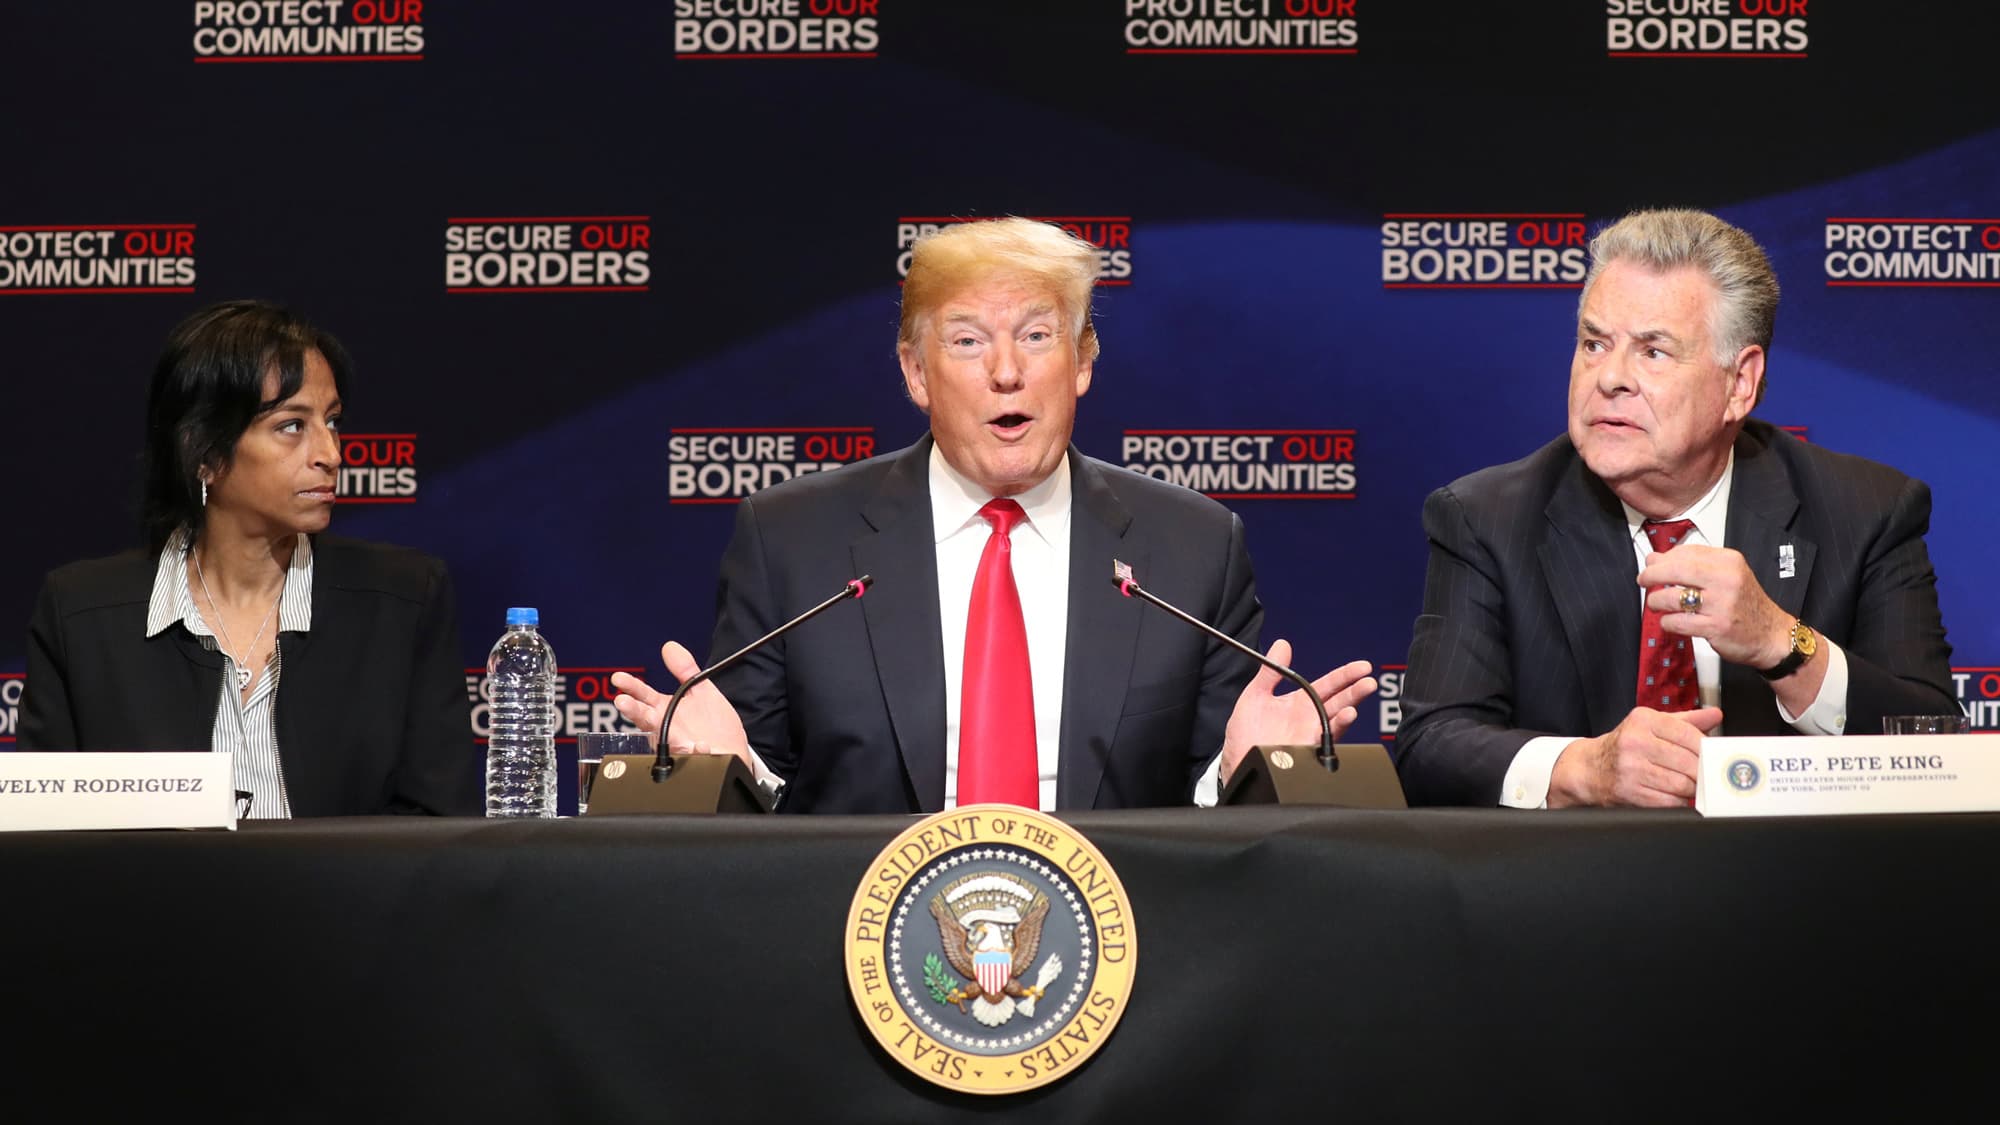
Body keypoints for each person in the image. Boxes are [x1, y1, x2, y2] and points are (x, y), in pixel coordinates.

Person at [613, 217, 1376, 813]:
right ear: (917, 373)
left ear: (1081, 363)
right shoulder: (793, 541)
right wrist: (724, 770)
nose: (1007, 371)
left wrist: (1247, 775)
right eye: (969, 341)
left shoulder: (1193, 547)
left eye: (1037, 336)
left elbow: (1221, 830)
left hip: (1124, 951)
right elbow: (748, 803)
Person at [1394, 208, 1956, 809]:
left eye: (1653, 352)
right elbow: (1431, 746)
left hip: (1793, 887)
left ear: (1739, 382)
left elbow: (1936, 744)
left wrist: (1783, 643)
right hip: (1573, 890)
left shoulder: (1867, 511)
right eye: (1594, 343)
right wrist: (1583, 767)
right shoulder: (1487, 518)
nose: (1609, 377)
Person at [20, 300, 477, 817]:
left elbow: (437, 832)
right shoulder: (82, 617)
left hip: (350, 900)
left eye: (332, 421)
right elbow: (45, 839)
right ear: (205, 453)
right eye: (292, 426)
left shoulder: (404, 601)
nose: (331, 452)